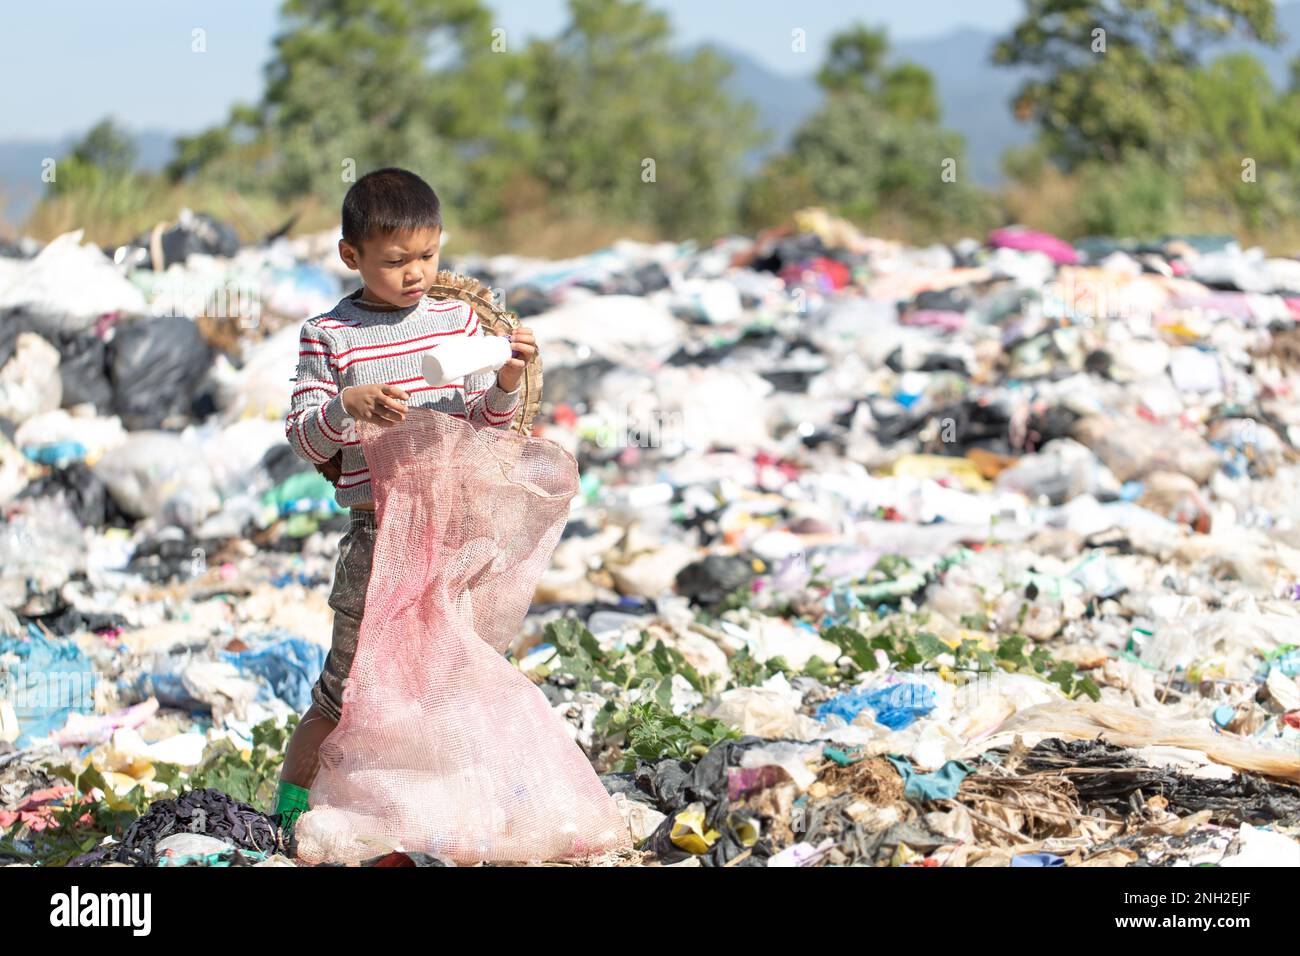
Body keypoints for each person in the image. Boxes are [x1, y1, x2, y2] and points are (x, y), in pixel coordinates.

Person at [272, 167, 536, 835]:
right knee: (348, 684)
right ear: (351, 256)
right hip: (377, 531)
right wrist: (346, 407)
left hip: (454, 531)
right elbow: (304, 437)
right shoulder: (329, 335)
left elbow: (490, 427)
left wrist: (504, 378)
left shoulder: (457, 322)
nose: (415, 273)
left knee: (449, 681)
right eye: (395, 261)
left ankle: (444, 814)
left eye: (428, 255)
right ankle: (287, 810)